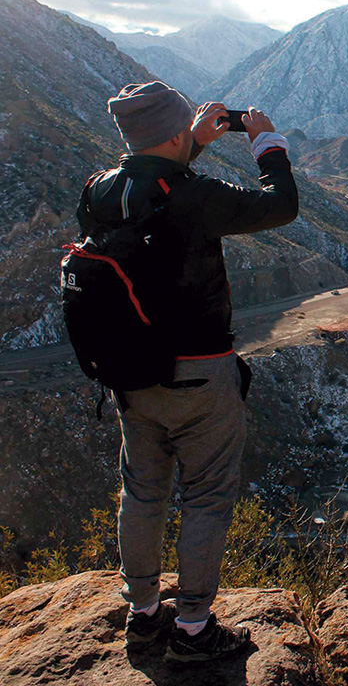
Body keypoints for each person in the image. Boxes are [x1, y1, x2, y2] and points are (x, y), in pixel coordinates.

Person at [79, 81, 298, 663]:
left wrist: (189, 144)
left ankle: (144, 615)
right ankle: (195, 629)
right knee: (205, 497)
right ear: (175, 133)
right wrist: (265, 140)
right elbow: (280, 206)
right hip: (199, 373)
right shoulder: (193, 194)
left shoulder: (99, 190)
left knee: (142, 491)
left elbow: (152, 194)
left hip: (128, 373)